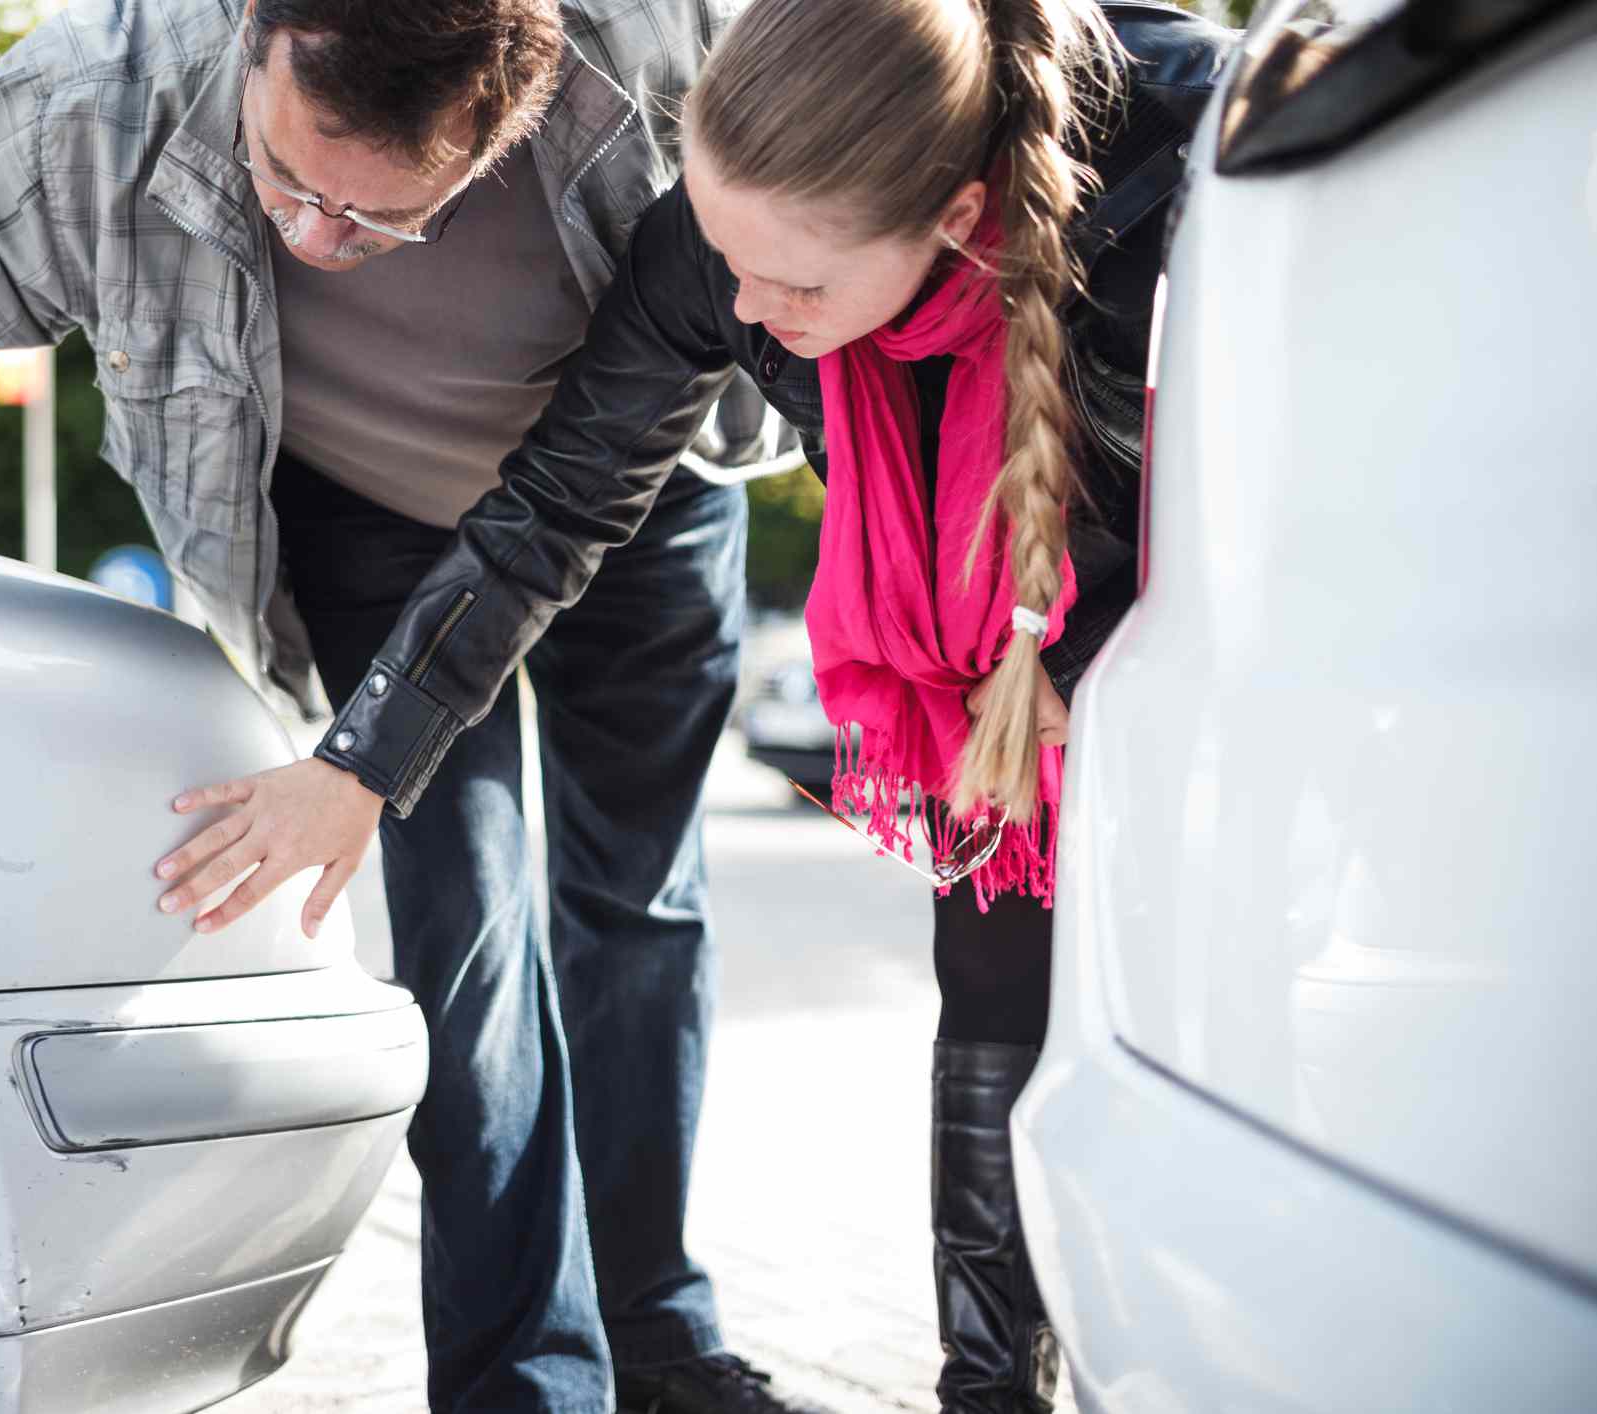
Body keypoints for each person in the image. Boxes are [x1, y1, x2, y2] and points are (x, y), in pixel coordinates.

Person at [0, 2, 830, 1411]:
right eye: (289, 180)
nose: (316, 239)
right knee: (464, 937)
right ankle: (526, 1384)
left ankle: (658, 1335)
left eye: (382, 221)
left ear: (507, 112)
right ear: (256, 37)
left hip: (633, 494)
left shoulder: (662, 56)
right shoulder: (96, 100)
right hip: (374, 520)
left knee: (636, 907)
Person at [166, 0, 1233, 1408]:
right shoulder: (718, 254)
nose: (739, 313)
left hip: (1213, 660)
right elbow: (552, 508)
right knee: (989, 979)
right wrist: (362, 757)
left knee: (1206, 1023)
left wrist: (1126, 682)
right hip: (980, 680)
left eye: (788, 285)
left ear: (958, 217)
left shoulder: (1186, 182)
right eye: (725, 258)